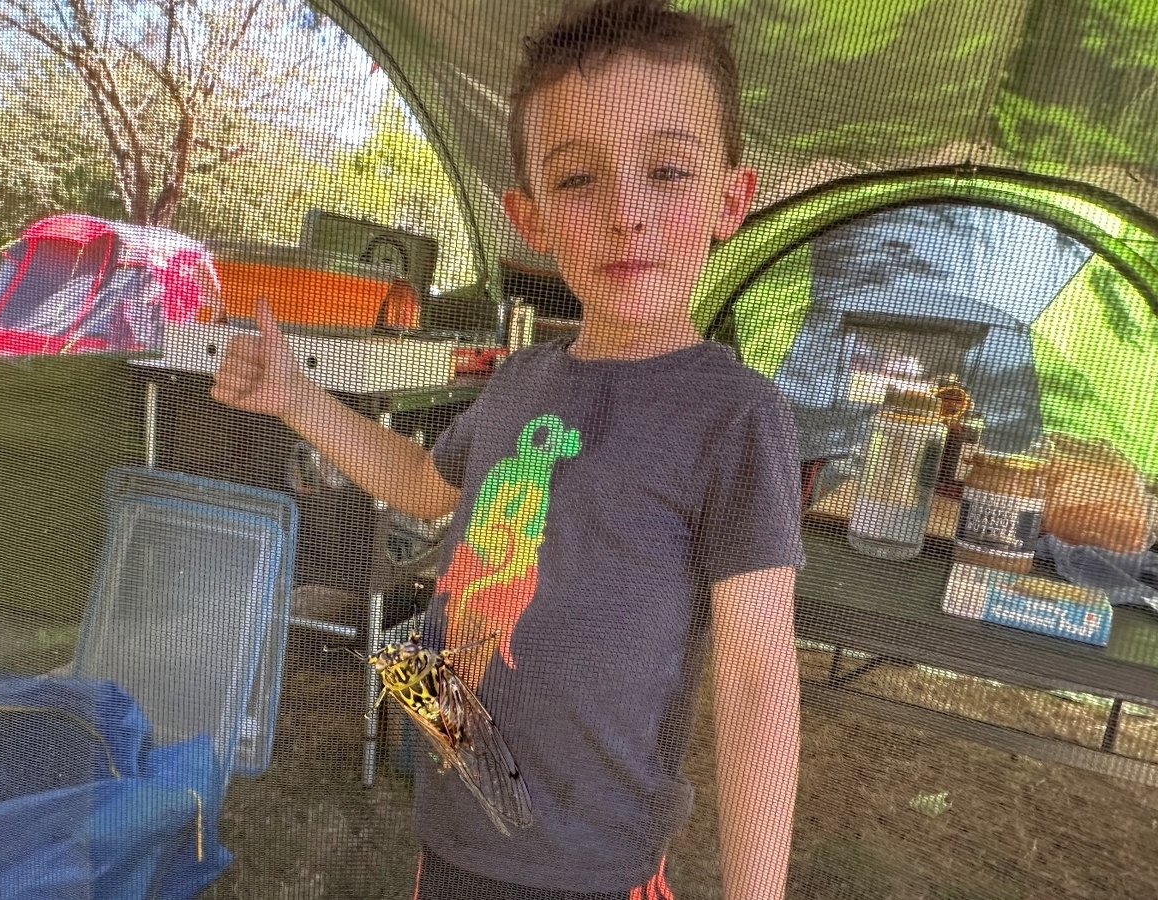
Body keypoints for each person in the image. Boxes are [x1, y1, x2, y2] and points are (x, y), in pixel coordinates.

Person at [211, 1, 804, 897]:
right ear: (530, 219)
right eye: (579, 180)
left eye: (668, 171)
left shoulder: (736, 418)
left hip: (593, 871)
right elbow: (421, 482)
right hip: (454, 839)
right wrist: (297, 398)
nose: (626, 213)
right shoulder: (522, 381)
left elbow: (758, 674)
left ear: (731, 198)